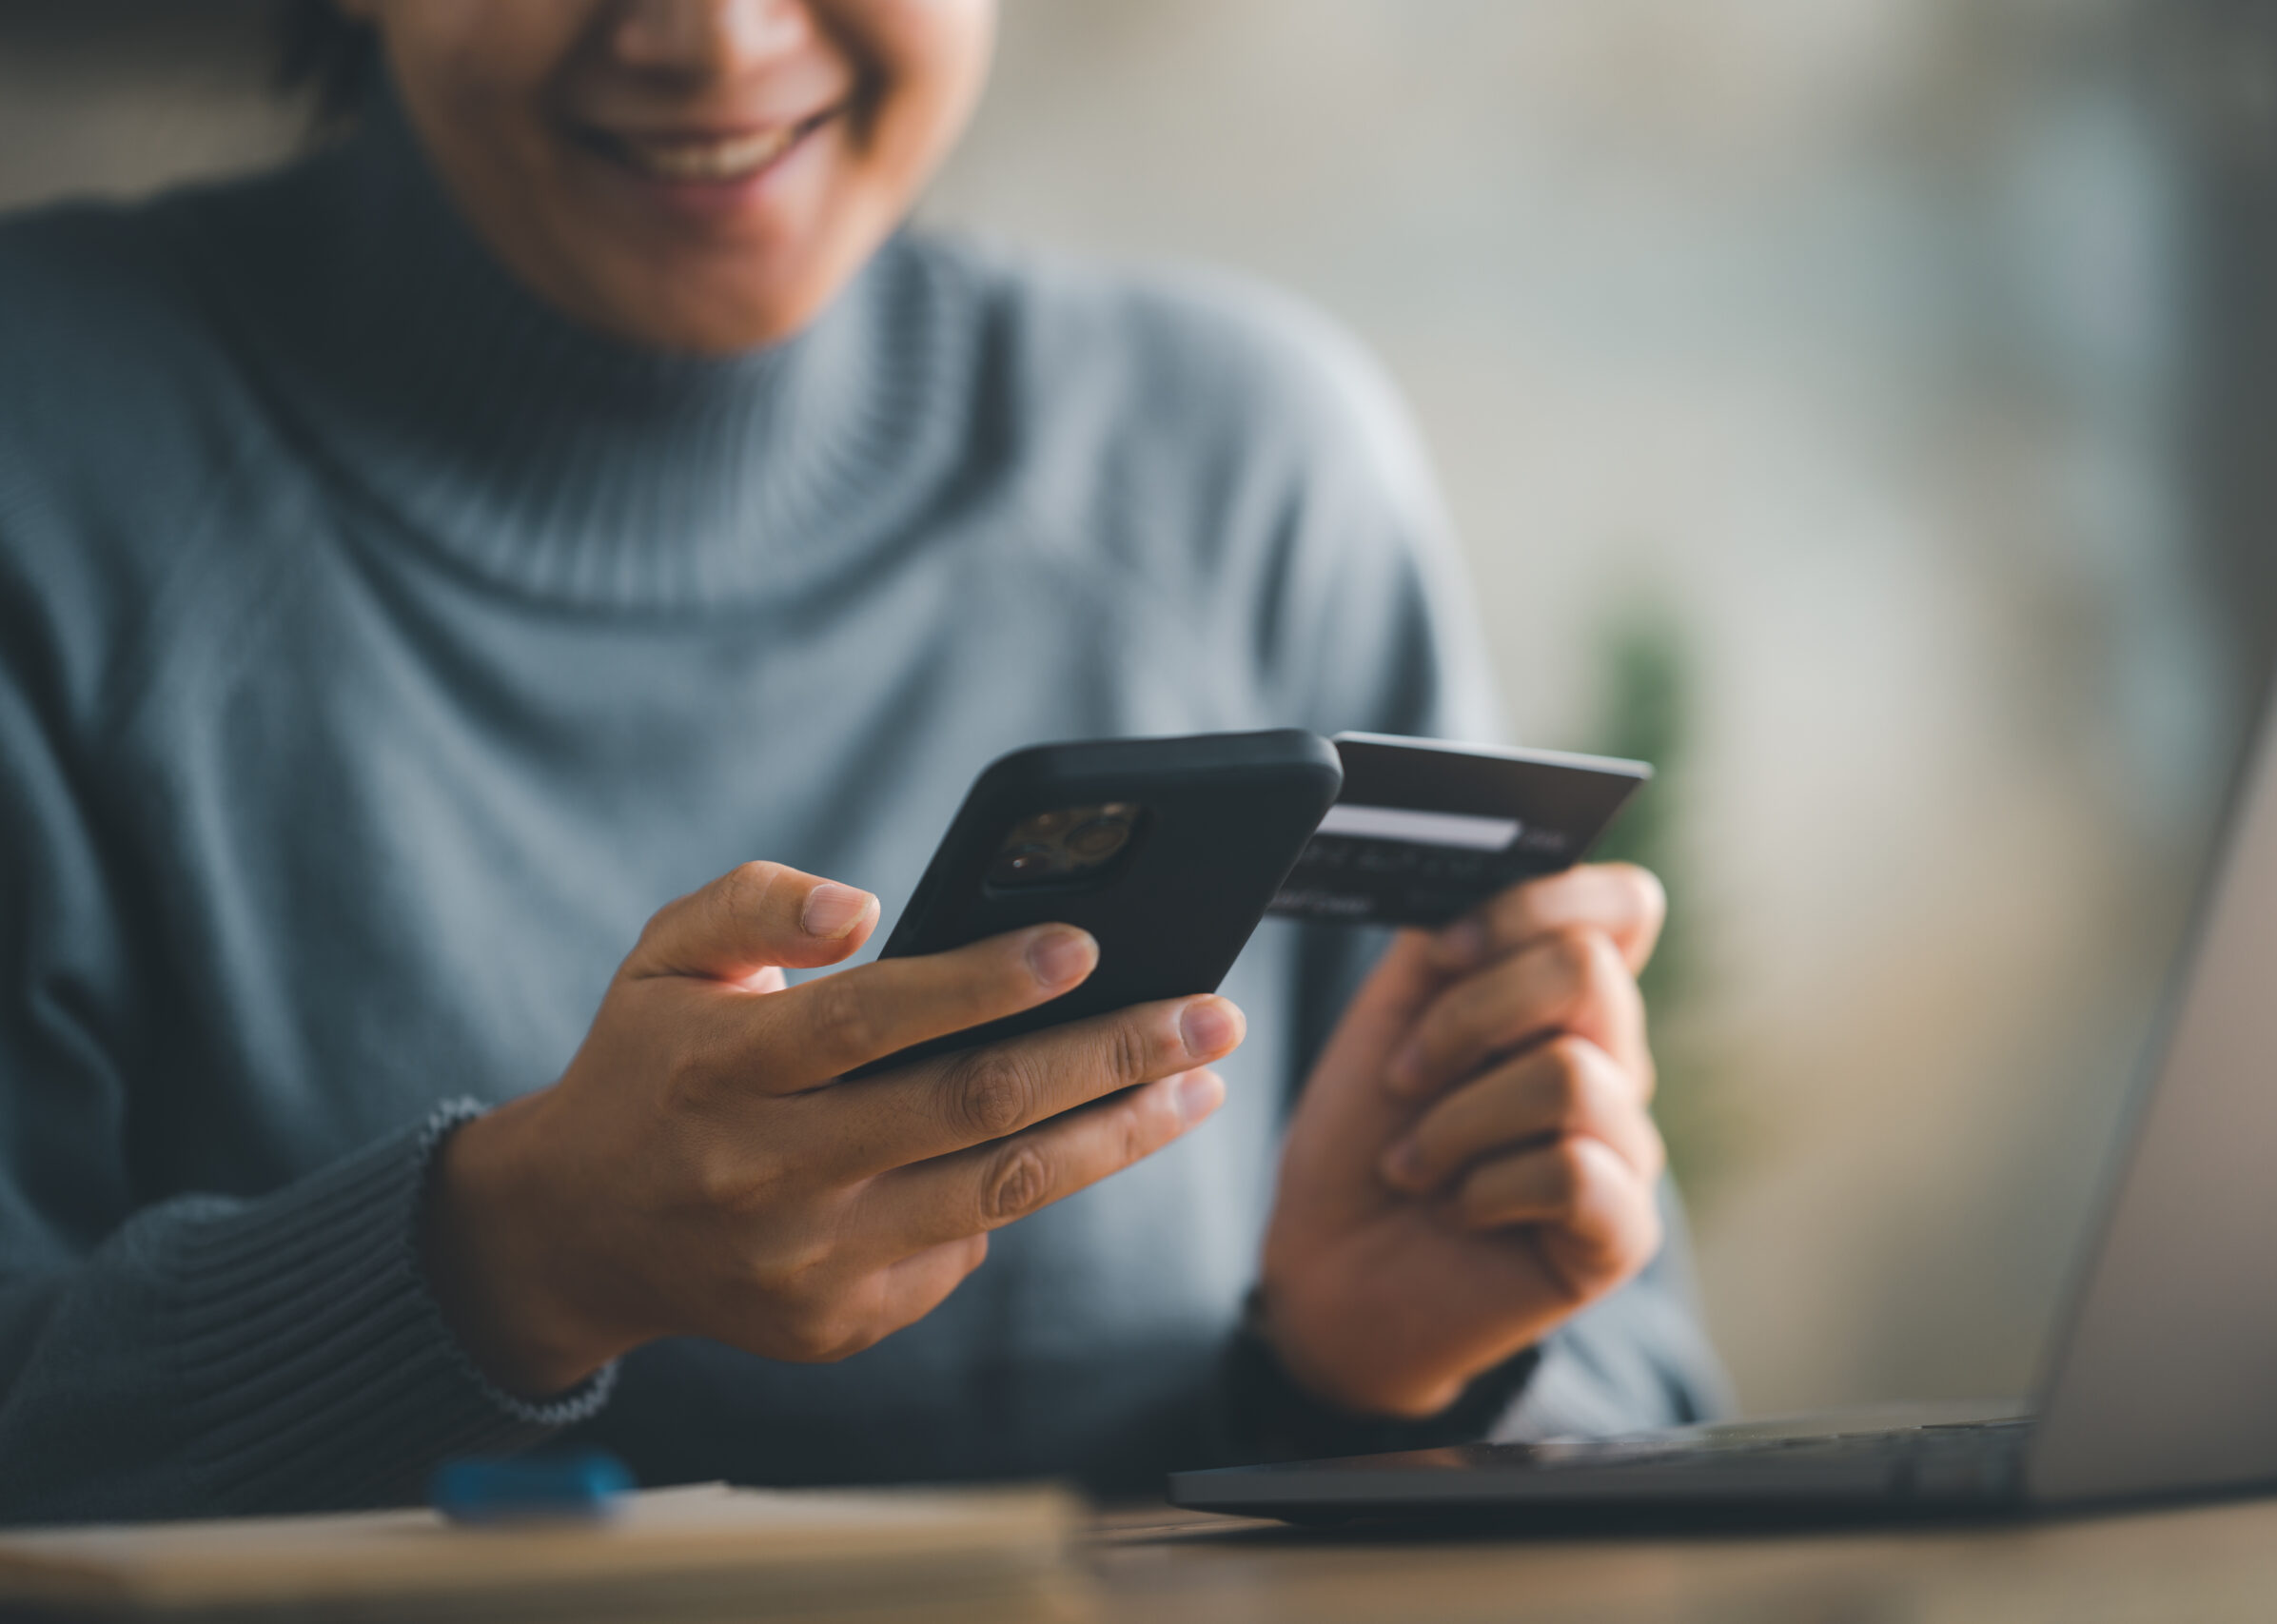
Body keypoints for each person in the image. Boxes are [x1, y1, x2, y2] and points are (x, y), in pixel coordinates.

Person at [0, 0, 1728, 1522]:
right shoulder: (51, 445)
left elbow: (1641, 1412)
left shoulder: (1251, 468)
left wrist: (1366, 1388)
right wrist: (507, 1260)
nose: (712, 36)